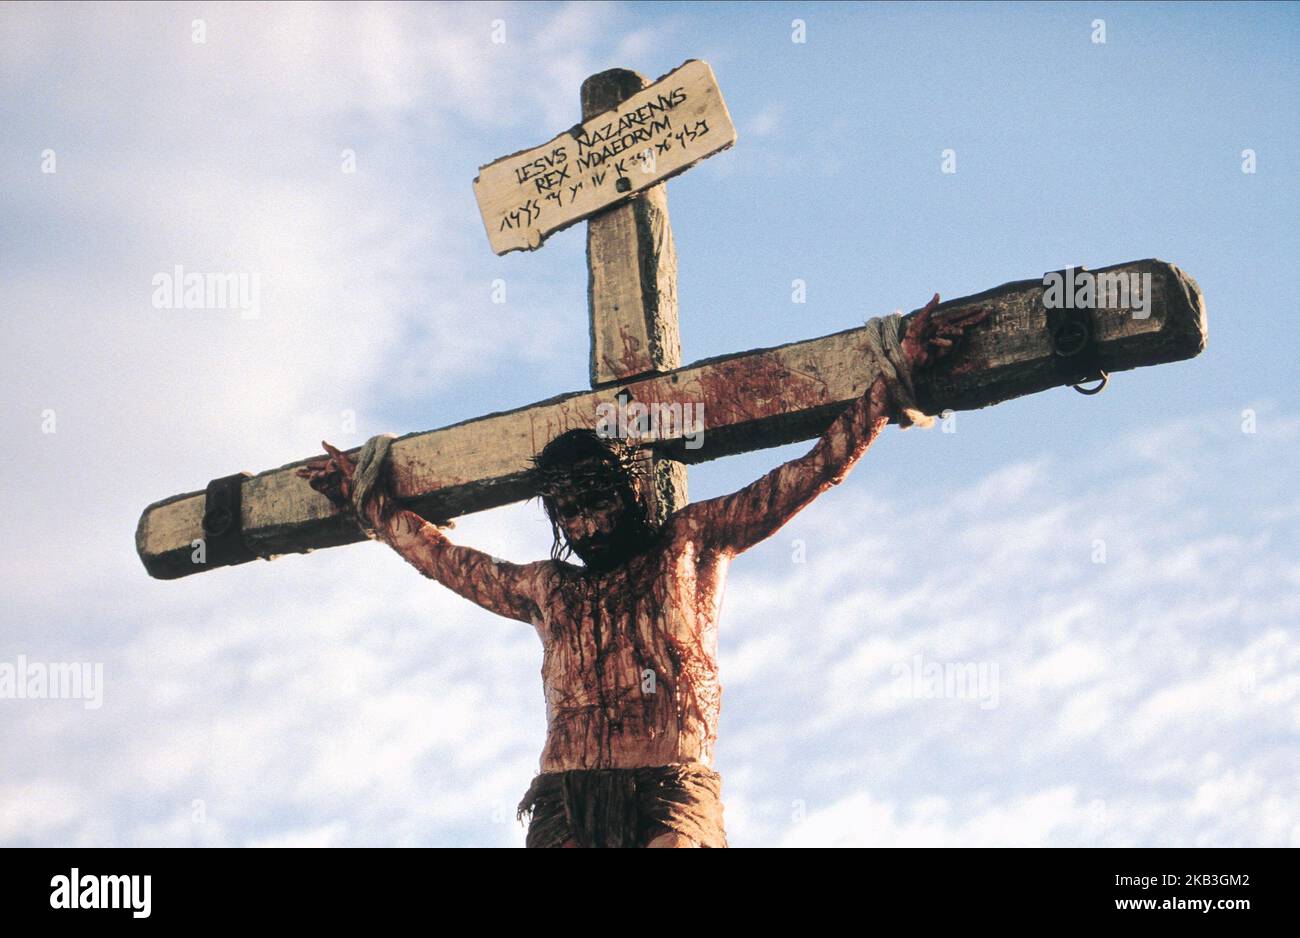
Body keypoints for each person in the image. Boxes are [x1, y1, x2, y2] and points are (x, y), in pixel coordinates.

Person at [298, 295, 987, 847]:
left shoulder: (688, 544)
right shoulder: (550, 589)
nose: (587, 524)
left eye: (596, 501)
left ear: (628, 493)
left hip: (670, 787)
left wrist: (888, 385)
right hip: (566, 800)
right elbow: (447, 561)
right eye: (568, 510)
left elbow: (802, 477)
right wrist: (371, 506)